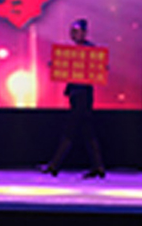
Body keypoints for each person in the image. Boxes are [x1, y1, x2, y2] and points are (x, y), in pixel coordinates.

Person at [41, 19, 106, 179]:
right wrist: (56, 65)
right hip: (76, 95)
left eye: (76, 31)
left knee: (70, 130)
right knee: (87, 132)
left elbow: (96, 67)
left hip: (83, 96)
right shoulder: (72, 51)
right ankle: (98, 167)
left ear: (84, 33)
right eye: (72, 31)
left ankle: (54, 165)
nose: (73, 34)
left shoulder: (89, 50)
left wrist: (101, 67)